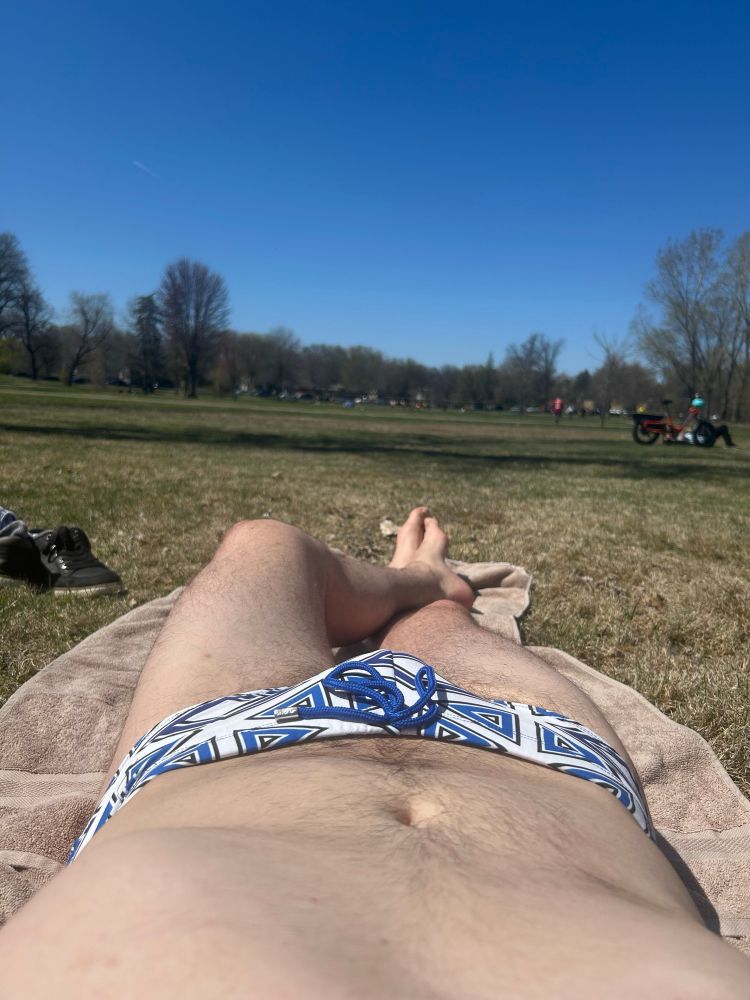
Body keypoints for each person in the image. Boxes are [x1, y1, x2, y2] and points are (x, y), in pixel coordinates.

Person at [0, 509, 747, 996]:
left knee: (265, 546)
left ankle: (415, 578)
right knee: (438, 624)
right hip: (542, 755)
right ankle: (426, 586)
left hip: (215, 745)